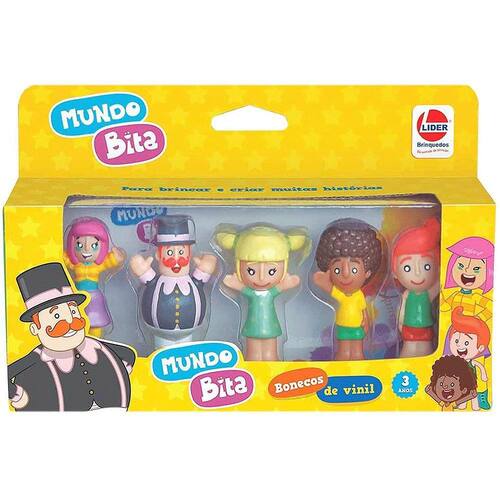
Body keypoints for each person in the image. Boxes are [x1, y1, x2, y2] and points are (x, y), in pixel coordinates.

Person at [8, 262, 135, 411]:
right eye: (56, 316)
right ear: (35, 328)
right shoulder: (36, 360)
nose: (70, 322)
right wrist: (17, 395)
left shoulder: (95, 346)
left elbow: (128, 353)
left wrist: (121, 370)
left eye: (73, 311)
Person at [216, 225, 309, 361]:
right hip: (252, 325)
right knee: (253, 352)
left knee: (270, 352)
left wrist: (286, 284)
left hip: (270, 325)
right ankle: (253, 364)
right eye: (251, 271)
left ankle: (271, 362)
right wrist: (236, 284)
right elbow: (243, 288)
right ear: (239, 267)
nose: (261, 278)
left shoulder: (270, 292)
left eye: (271, 271)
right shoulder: (252, 293)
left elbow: (280, 287)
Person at [130, 215, 217, 340]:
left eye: (181, 252)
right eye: (170, 253)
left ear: (189, 254)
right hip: (159, 334)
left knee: (187, 350)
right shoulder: (155, 282)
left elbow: (206, 270)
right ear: (158, 255)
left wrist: (207, 265)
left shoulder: (194, 282)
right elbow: (144, 274)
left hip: (189, 333)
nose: (176, 260)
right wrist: (141, 268)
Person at [313, 218, 382, 361]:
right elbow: (330, 288)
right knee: (343, 352)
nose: (345, 274)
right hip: (343, 326)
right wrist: (322, 281)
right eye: (337, 269)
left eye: (354, 269)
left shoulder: (358, 295)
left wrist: (366, 322)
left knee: (357, 352)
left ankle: (358, 364)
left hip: (357, 327)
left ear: (367, 272)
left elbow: (364, 311)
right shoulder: (340, 294)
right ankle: (342, 365)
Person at [64, 217, 126, 337]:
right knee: (76, 322)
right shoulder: (74, 264)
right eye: (79, 245)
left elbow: (112, 260)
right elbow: (60, 257)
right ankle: (79, 341)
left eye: (94, 245)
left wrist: (119, 256)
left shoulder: (99, 265)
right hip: (77, 297)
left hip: (94, 298)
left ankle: (95, 341)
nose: (86, 249)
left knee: (96, 322)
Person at [392, 218, 440, 357]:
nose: (418, 273)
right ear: (395, 272)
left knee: (425, 351)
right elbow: (401, 310)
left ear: (436, 268)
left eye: (426, 266)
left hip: (425, 329)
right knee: (408, 350)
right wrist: (400, 323)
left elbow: (440, 283)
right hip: (408, 329)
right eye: (407, 267)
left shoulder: (429, 292)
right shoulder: (406, 295)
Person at [444, 307, 491, 410]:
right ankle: (462, 404)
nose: (459, 346)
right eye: (456, 341)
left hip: (473, 382)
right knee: (462, 392)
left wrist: (483, 375)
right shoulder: (456, 361)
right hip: (461, 383)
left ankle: (478, 402)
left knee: (473, 394)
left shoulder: (472, 361)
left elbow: (479, 366)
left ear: (481, 347)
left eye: (466, 342)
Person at [441, 236, 493, 324]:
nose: (467, 270)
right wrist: (441, 296)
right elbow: (444, 308)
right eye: (460, 266)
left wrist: (479, 318)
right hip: (454, 328)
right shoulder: (455, 295)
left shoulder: (476, 297)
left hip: (470, 328)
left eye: (476, 268)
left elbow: (490, 306)